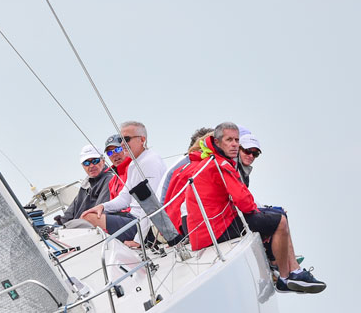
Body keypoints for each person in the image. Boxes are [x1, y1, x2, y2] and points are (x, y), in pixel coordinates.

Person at [184, 122, 325, 294]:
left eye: (236, 140)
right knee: (279, 221)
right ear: (218, 142)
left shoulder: (210, 160)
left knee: (273, 216)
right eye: (229, 140)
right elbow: (243, 201)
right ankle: (285, 277)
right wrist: (259, 212)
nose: (234, 144)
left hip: (206, 228)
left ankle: (291, 270)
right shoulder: (222, 164)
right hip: (215, 229)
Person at [81, 121, 167, 245]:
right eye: (121, 140)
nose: (122, 144)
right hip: (134, 218)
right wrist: (103, 207)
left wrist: (139, 241)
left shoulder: (150, 162)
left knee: (90, 218)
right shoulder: (134, 165)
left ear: (142, 140)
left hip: (149, 226)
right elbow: (124, 198)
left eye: (126, 139)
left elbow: (152, 206)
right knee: (91, 214)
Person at [57, 144, 113, 224]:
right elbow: (72, 210)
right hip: (79, 227)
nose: (91, 166)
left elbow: (98, 213)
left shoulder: (109, 179)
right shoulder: (87, 182)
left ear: (103, 161)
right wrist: (59, 224)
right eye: (86, 163)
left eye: (95, 161)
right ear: (83, 166)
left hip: (92, 228)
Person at [104, 134, 131, 209]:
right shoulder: (112, 181)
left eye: (118, 149)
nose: (114, 154)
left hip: (134, 216)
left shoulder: (134, 169)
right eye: (109, 153)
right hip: (119, 216)